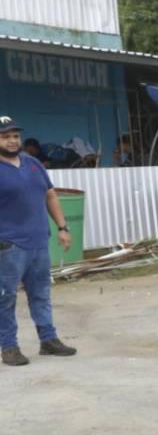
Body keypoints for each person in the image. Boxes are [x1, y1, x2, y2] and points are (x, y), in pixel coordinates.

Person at [0, 116, 77, 366]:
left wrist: (62, 227)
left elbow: (50, 195)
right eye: (5, 136)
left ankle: (48, 339)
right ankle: (9, 347)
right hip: (8, 246)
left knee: (41, 294)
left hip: (38, 242)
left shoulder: (33, 163)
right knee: (5, 297)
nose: (12, 141)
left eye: (15, 136)